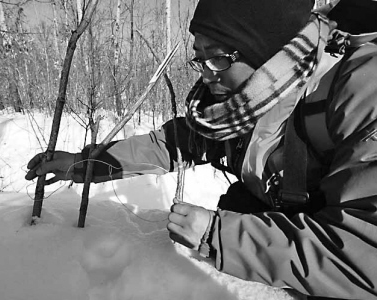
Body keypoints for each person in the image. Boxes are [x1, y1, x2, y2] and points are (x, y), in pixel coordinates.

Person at [25, 0, 377, 298]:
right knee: (239, 204)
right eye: (200, 58)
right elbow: (175, 143)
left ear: (270, 51)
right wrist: (86, 164)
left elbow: (365, 258)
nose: (207, 74)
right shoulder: (244, 102)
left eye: (220, 58)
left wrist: (218, 236)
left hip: (339, 263)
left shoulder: (361, 89)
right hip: (294, 231)